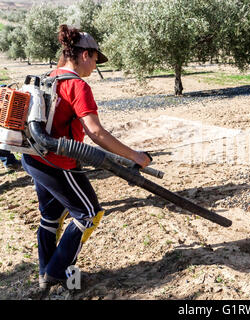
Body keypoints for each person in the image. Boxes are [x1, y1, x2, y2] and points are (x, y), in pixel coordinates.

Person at [21, 25, 151, 294]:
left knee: (51, 218)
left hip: (33, 159)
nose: (94, 65)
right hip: (58, 162)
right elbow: (96, 132)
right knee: (89, 213)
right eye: (94, 58)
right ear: (84, 55)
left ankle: (47, 274)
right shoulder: (77, 86)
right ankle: (57, 273)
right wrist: (135, 156)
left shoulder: (49, 77)